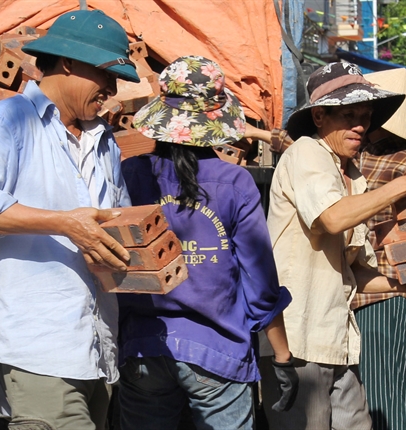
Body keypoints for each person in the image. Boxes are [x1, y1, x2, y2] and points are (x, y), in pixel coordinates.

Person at [0, 10, 139, 429]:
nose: (112, 89)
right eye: (107, 74)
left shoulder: (104, 142)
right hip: (40, 347)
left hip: (97, 348)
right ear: (69, 62)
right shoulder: (8, 121)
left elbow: (114, 222)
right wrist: (65, 223)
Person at [259, 62, 406, 429]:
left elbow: (357, 275)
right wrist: (405, 185)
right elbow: (332, 218)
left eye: (365, 117)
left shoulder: (352, 174)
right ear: (319, 116)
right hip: (297, 339)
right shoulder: (307, 152)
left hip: (337, 339)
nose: (360, 126)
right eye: (349, 115)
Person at [117, 56, 297, 430]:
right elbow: (260, 284)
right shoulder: (235, 183)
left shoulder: (130, 174)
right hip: (218, 354)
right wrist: (282, 356)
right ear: (215, 119)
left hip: (143, 349)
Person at [352, 68, 406, 430]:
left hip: (386, 294)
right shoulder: (354, 152)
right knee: (359, 399)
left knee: (385, 396)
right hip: (352, 291)